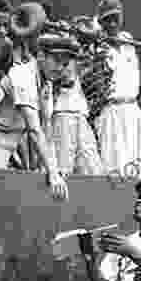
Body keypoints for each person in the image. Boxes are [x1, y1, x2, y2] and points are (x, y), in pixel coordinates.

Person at [0, 37, 68, 200]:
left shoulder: (47, 82)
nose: (60, 68)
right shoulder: (23, 74)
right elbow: (34, 129)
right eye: (57, 60)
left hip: (10, 141)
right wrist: (52, 172)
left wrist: (53, 168)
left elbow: (46, 130)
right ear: (41, 56)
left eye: (65, 64)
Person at [94, 0, 141, 177]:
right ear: (101, 23)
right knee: (114, 167)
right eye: (107, 19)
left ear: (121, 18)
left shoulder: (130, 41)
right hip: (111, 110)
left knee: (138, 164)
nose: (111, 23)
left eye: (115, 18)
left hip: (133, 109)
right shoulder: (98, 48)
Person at [38, 32, 104, 176]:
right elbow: (66, 78)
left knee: (93, 167)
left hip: (80, 113)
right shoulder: (54, 62)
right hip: (62, 113)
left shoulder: (73, 58)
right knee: (64, 167)